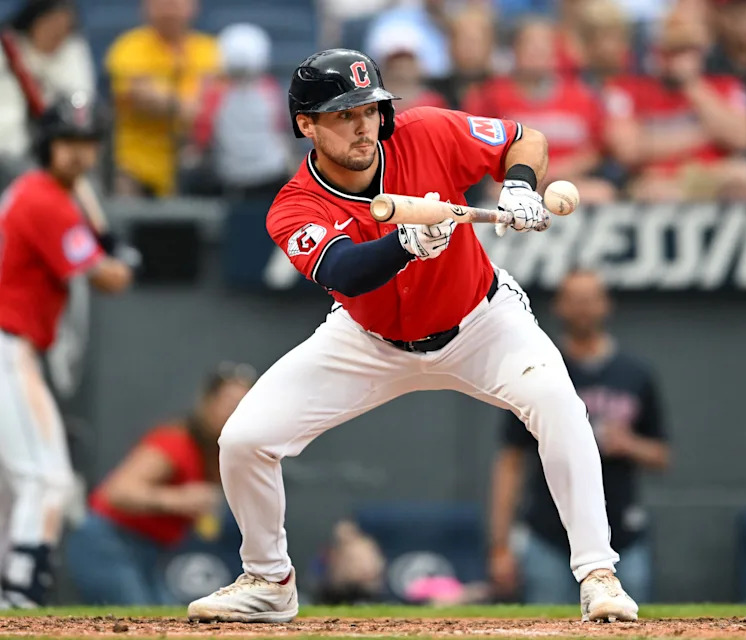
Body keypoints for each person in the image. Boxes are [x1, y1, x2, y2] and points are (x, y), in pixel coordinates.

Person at [185, 48, 638, 624]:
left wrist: (520, 184)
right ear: (307, 126)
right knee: (245, 439)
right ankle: (268, 580)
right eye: (343, 113)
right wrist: (406, 243)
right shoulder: (294, 205)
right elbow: (344, 270)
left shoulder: (425, 129)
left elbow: (525, 138)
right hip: (367, 340)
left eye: (369, 108)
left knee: (558, 403)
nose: (362, 124)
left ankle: (598, 574)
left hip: (481, 321)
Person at [0, 93, 133, 608]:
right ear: (46, 144)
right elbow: (108, 278)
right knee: (47, 479)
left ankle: (12, 593)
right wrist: (119, 252)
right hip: (8, 347)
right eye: (66, 142)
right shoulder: (45, 200)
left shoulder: (41, 192)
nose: (78, 154)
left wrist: (106, 247)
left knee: (16, 486)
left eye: (86, 142)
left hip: (18, 348)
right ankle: (20, 597)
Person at [489, 270, 670, 605]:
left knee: (628, 626)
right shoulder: (537, 370)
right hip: (548, 533)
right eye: (575, 300)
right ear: (560, 306)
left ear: (605, 305)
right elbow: (510, 461)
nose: (583, 308)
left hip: (623, 534)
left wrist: (629, 444)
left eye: (590, 299)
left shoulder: (635, 374)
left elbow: (662, 455)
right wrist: (501, 545)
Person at [64, 363, 255, 605]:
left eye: (245, 404)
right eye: (229, 402)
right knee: (139, 618)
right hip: (109, 542)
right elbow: (117, 492)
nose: (235, 411)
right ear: (208, 403)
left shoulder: (221, 454)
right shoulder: (176, 441)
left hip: (151, 551)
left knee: (167, 615)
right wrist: (177, 500)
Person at [606, 8, 746, 202]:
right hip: (659, 176)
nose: (680, 58)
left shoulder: (727, 86)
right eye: (672, 51)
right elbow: (629, 150)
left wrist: (692, 85)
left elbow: (743, 138)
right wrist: (705, 133)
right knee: (660, 192)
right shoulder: (628, 90)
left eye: (688, 50)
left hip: (712, 171)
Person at [463, 19, 616, 205]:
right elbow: (478, 148)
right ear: (515, 51)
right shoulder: (491, 96)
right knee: (496, 193)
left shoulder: (583, 96)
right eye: (530, 45)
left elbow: (596, 150)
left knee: (601, 193)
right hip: (513, 182)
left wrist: (556, 173)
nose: (536, 53)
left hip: (570, 182)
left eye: (543, 47)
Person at [105, 0, 219, 197]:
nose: (168, 10)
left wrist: (161, 95)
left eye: (175, 3)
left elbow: (217, 102)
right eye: (161, 3)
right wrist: (184, 104)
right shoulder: (129, 46)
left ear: (193, 6)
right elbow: (137, 95)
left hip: (196, 170)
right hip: (138, 168)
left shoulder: (210, 50)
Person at [187, 23, 292, 200]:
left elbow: (202, 136)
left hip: (259, 178)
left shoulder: (215, 92)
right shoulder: (270, 89)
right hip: (249, 178)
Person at [0, 0, 95, 188]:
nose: (57, 32)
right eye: (51, 24)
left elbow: (80, 101)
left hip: (56, 144)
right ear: (35, 21)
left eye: (64, 26)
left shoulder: (74, 51)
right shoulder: (8, 49)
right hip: (10, 150)